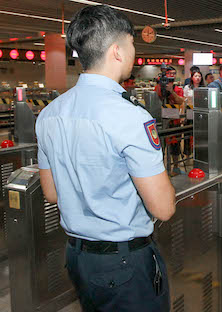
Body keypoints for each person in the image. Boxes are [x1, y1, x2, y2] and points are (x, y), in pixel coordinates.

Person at [36, 5, 175, 311]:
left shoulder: (49, 114)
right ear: (117, 51)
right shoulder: (130, 116)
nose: (135, 52)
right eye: (132, 43)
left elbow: (51, 192)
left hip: (77, 257)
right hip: (125, 263)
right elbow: (163, 208)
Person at [154, 66, 185, 175]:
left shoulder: (178, 89)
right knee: (161, 147)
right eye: (169, 73)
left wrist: (171, 91)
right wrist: (161, 87)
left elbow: (181, 101)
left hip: (174, 122)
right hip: (161, 122)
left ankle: (175, 167)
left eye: (173, 73)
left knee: (175, 146)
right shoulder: (158, 87)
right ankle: (161, 170)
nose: (171, 75)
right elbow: (156, 100)